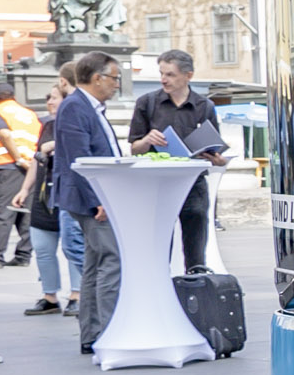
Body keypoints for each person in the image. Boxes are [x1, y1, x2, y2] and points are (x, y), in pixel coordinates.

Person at [51, 52, 127, 354]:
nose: (117, 85)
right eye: (114, 78)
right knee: (112, 259)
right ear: (97, 78)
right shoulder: (75, 108)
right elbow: (78, 160)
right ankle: (109, 331)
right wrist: (99, 200)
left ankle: (94, 333)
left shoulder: (88, 107)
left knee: (96, 263)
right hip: (90, 199)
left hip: (94, 196)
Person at [127, 49, 225, 271]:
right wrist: (147, 140)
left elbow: (213, 147)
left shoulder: (204, 106)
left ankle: (196, 279)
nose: (164, 79)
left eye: (170, 74)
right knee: (160, 240)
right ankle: (160, 281)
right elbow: (134, 148)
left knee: (196, 235)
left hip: (193, 180)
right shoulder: (147, 103)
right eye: (162, 73)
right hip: (159, 180)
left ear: (188, 75)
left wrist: (216, 158)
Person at [16, 67, 78, 315]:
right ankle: (49, 296)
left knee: (72, 245)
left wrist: (55, 145)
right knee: (42, 247)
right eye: (48, 98)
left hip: (65, 192)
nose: (50, 102)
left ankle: (77, 294)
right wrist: (24, 188)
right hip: (43, 194)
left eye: (54, 97)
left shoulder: (72, 122)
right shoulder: (47, 125)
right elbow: (36, 158)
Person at [0, 79, 37, 266]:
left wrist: (18, 158)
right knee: (25, 212)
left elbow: (4, 134)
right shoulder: (29, 113)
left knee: (3, 210)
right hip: (31, 167)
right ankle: (23, 255)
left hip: (10, 165)